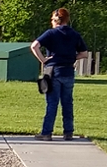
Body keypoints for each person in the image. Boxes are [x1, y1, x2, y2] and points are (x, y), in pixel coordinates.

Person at [30, 8, 89, 141]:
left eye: (52, 19)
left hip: (53, 71)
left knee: (52, 103)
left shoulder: (51, 33)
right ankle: (68, 132)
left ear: (56, 19)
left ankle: (46, 133)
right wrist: (71, 57)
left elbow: (34, 46)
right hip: (68, 71)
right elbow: (84, 53)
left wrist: (44, 60)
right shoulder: (74, 34)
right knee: (67, 103)